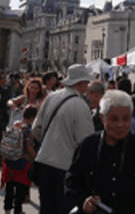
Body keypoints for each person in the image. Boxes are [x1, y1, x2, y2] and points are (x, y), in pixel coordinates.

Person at [65, 90, 135, 214]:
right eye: (114, 119)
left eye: (126, 118)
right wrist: (83, 201)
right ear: (102, 118)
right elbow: (71, 182)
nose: (121, 125)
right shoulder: (88, 146)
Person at [33, 64, 95, 214]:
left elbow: (36, 129)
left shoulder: (52, 97)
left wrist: (49, 144)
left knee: (46, 208)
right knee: (63, 209)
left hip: (44, 161)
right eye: (86, 82)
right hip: (65, 167)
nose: (87, 85)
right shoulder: (80, 105)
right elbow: (86, 143)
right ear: (80, 83)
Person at [1, 105, 38, 214]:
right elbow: (29, 148)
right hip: (22, 163)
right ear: (32, 117)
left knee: (9, 187)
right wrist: (35, 158)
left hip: (9, 161)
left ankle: (7, 209)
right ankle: (18, 210)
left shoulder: (14, 125)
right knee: (20, 189)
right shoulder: (28, 130)